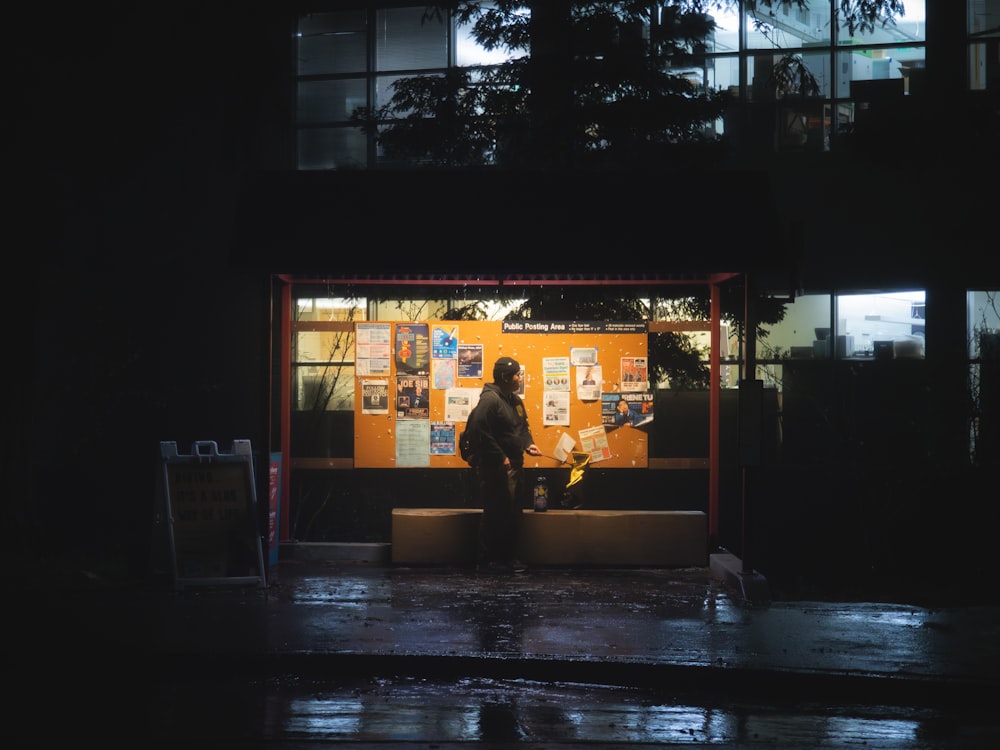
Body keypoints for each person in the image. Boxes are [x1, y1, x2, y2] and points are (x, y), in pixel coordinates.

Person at [466, 356, 541, 573]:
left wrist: (529, 444)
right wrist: (500, 457)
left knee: (512, 513)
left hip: (515, 466)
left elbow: (522, 427)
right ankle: (487, 560)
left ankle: (508, 559)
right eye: (517, 374)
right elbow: (478, 430)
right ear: (505, 378)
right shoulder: (490, 400)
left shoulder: (515, 401)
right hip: (496, 468)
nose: (520, 378)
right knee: (495, 513)